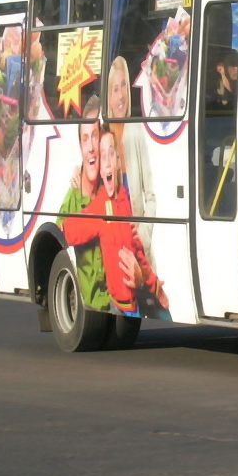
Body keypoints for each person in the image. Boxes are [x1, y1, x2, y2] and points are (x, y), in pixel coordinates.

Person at [62, 127, 169, 318]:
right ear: (101, 170)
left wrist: (155, 287)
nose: (109, 162)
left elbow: (138, 252)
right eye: (103, 157)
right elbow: (69, 230)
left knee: (164, 315)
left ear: (119, 163)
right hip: (117, 307)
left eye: (112, 154)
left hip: (134, 305)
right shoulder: (99, 208)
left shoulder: (124, 200)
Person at [57, 95, 108, 311]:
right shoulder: (73, 196)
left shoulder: (114, 193)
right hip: (90, 304)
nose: (90, 148)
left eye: (95, 137)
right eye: (85, 139)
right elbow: (61, 234)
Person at [107, 55, 156, 257]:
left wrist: (143, 238)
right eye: (115, 89)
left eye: (124, 87)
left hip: (139, 255)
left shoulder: (136, 132)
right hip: (113, 254)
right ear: (108, 96)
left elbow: (150, 197)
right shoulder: (102, 137)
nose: (121, 96)